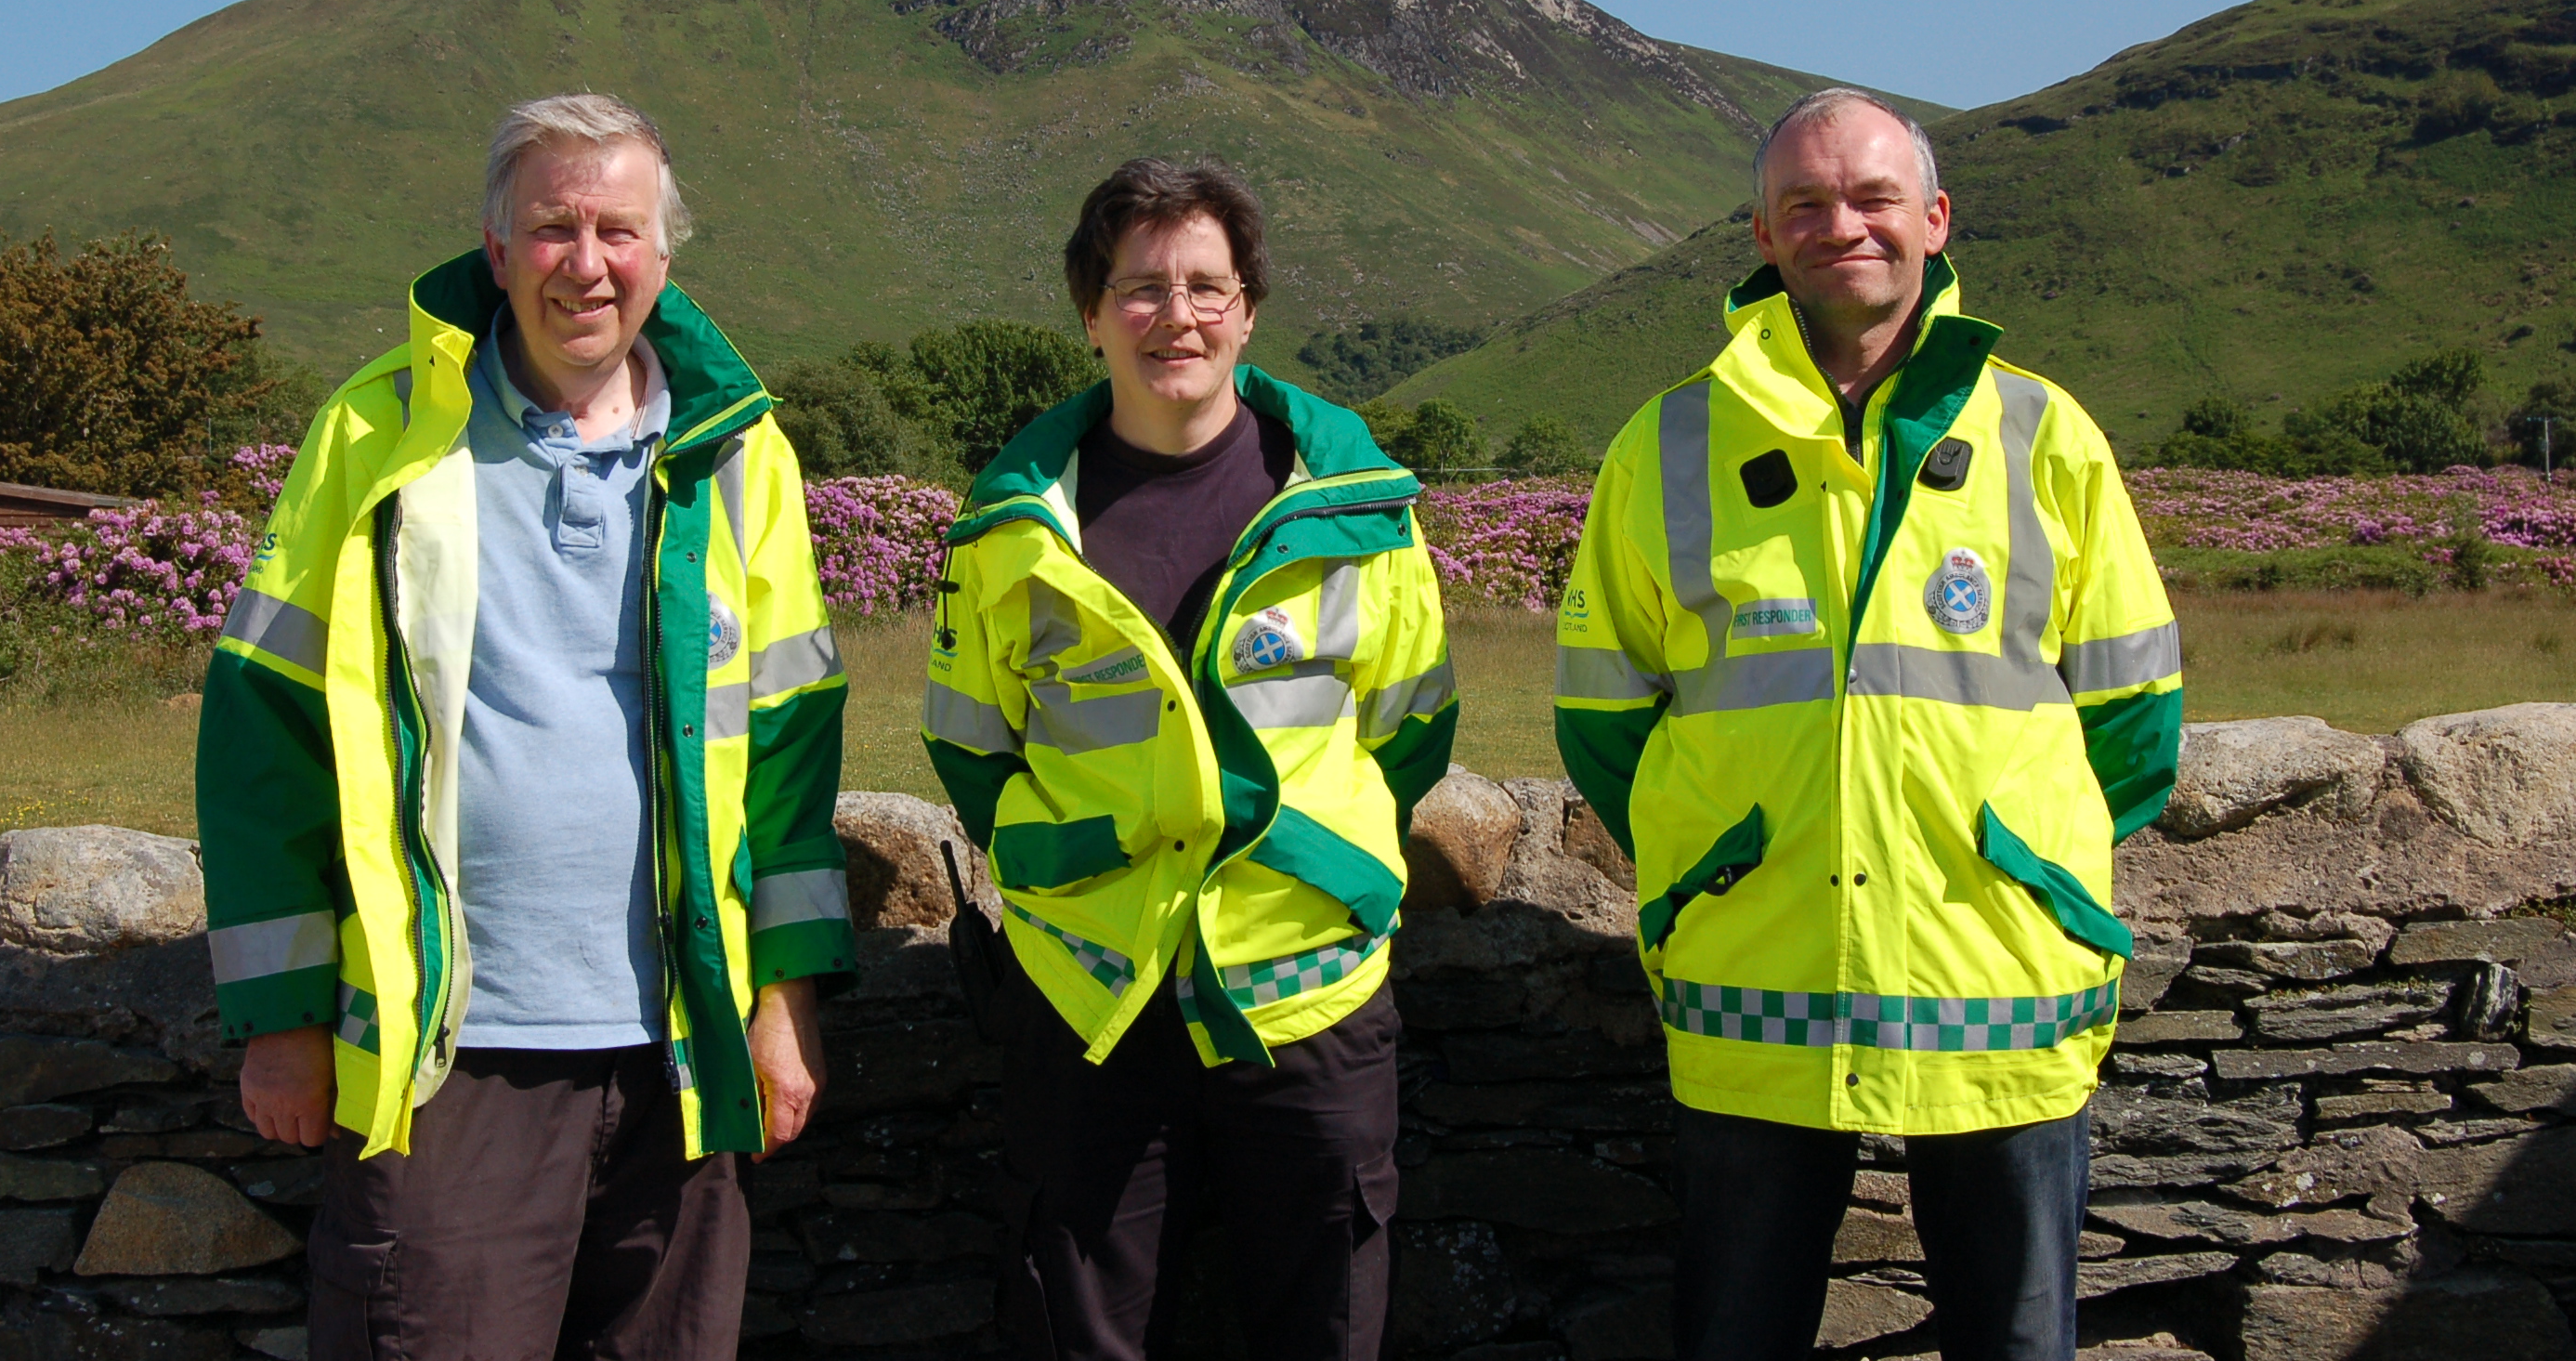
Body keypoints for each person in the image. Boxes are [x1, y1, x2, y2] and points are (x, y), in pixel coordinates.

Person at [197, 94, 855, 1361]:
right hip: (452, 1050)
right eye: (555, 228)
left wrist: (785, 1001)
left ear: (664, 255)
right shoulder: (375, 432)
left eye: (620, 230)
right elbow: (262, 727)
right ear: (497, 250)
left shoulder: (742, 454)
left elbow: (789, 750)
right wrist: (279, 1013)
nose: (587, 263)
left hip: (682, 1043)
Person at [1554, 89, 2181, 1361]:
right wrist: (1723, 858)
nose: (1842, 225)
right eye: (1806, 204)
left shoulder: (2044, 432)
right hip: (1758, 987)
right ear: (1762, 234)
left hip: (1998, 986)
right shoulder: (1667, 443)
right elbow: (1602, 721)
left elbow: (2135, 721)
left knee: (2016, 1344)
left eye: (1874, 197)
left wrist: (2022, 868)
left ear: (1934, 219)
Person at [922, 156, 1459, 1361]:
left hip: (1307, 986)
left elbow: (1412, 729)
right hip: (1090, 991)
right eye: (1141, 288)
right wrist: (1081, 871)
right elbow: (970, 745)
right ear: (1091, 313)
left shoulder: (1360, 515)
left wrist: (1320, 868)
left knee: (1324, 1328)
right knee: (1081, 1336)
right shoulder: (1008, 530)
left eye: (1208, 287)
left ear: (1249, 309)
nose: (1178, 315)